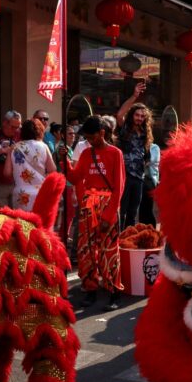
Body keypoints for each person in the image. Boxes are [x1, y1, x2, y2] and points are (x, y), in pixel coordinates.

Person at [58, 115, 125, 310]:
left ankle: (114, 293)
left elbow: (119, 188)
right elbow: (74, 177)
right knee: (85, 250)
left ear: (102, 133)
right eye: (86, 137)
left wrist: (109, 215)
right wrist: (65, 160)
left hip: (107, 206)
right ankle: (90, 289)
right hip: (88, 207)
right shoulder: (87, 154)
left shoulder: (116, 153)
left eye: (91, 136)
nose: (89, 140)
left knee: (109, 251)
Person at [115, 82, 153, 230]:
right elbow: (119, 114)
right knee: (122, 211)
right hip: (125, 175)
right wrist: (134, 96)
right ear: (132, 116)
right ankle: (117, 240)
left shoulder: (145, 134)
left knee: (133, 212)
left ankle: (127, 239)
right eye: (137, 115)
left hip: (139, 177)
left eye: (142, 116)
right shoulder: (125, 129)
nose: (139, 118)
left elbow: (146, 155)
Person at [5, 119, 56, 212]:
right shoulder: (43, 146)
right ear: (39, 131)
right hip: (40, 192)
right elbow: (52, 169)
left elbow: (7, 173)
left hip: (21, 193)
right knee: (39, 223)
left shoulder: (14, 147)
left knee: (22, 224)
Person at [0, 110, 22, 207]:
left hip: (17, 183)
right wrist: (1, 151)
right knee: (3, 216)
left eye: (18, 127)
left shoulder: (20, 135)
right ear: (4, 123)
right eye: (13, 127)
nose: (15, 130)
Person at [138, 139, 160, 226]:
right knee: (140, 211)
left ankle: (150, 232)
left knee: (147, 210)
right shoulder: (136, 146)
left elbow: (147, 162)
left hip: (149, 181)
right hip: (139, 180)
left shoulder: (154, 148)